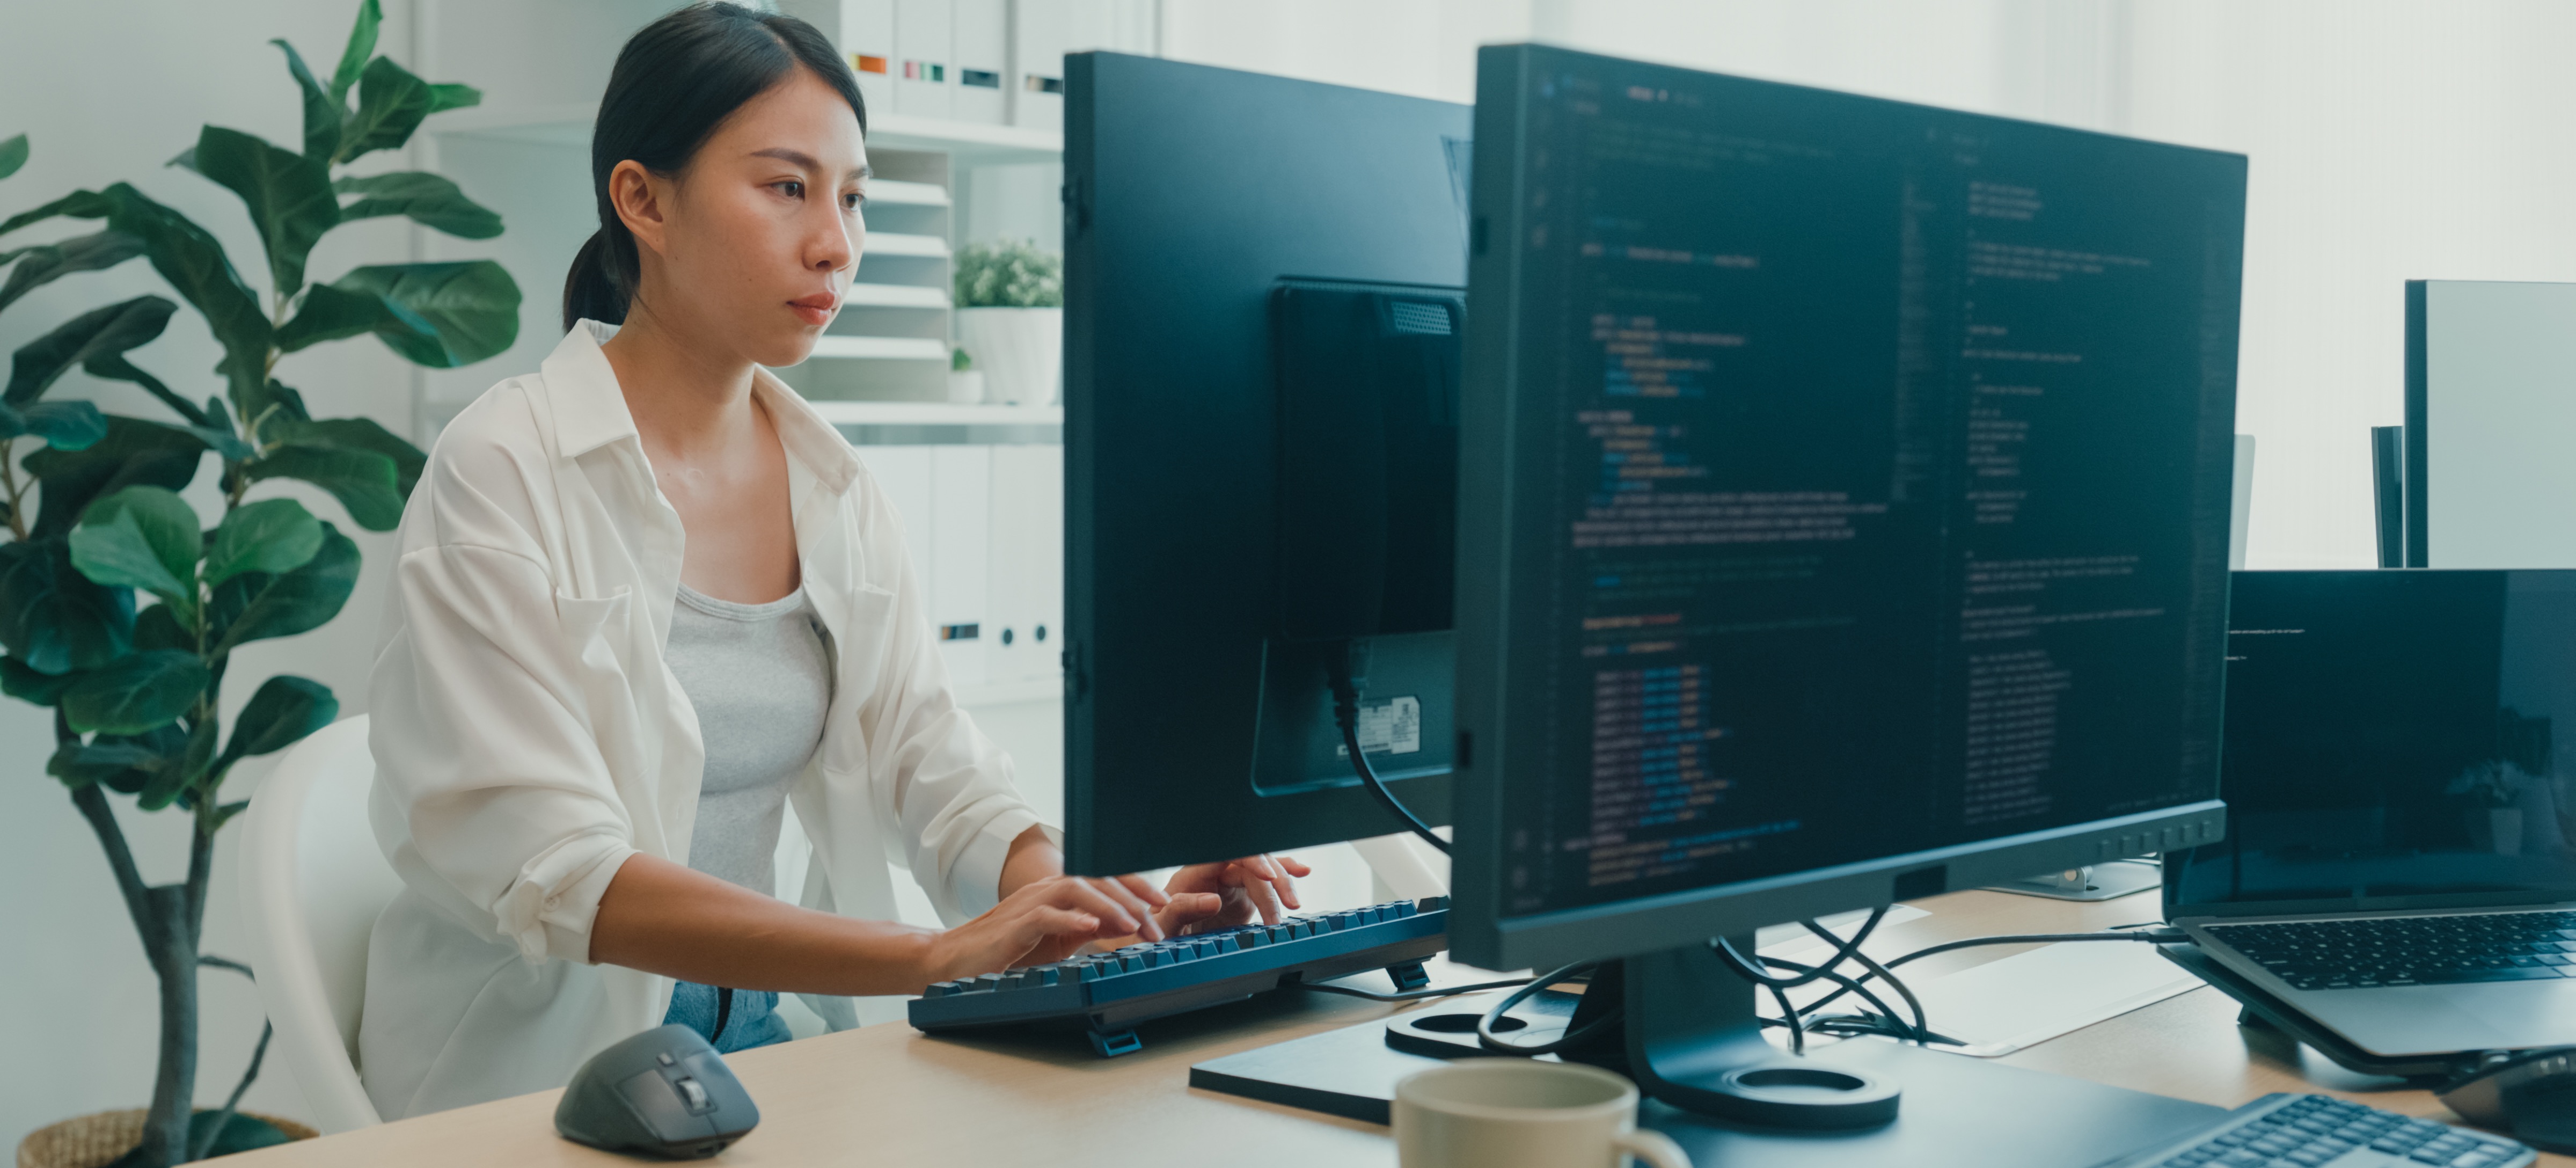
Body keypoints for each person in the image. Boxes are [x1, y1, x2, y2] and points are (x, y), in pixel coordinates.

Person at [360, 3, 1306, 1119]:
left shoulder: (833, 480)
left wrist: (1100, 902)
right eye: (786, 187)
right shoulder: (504, 465)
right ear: (641, 198)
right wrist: (930, 955)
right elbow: (558, 865)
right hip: (541, 1070)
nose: (836, 243)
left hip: (756, 1037)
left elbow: (931, 762)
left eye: (853, 196)